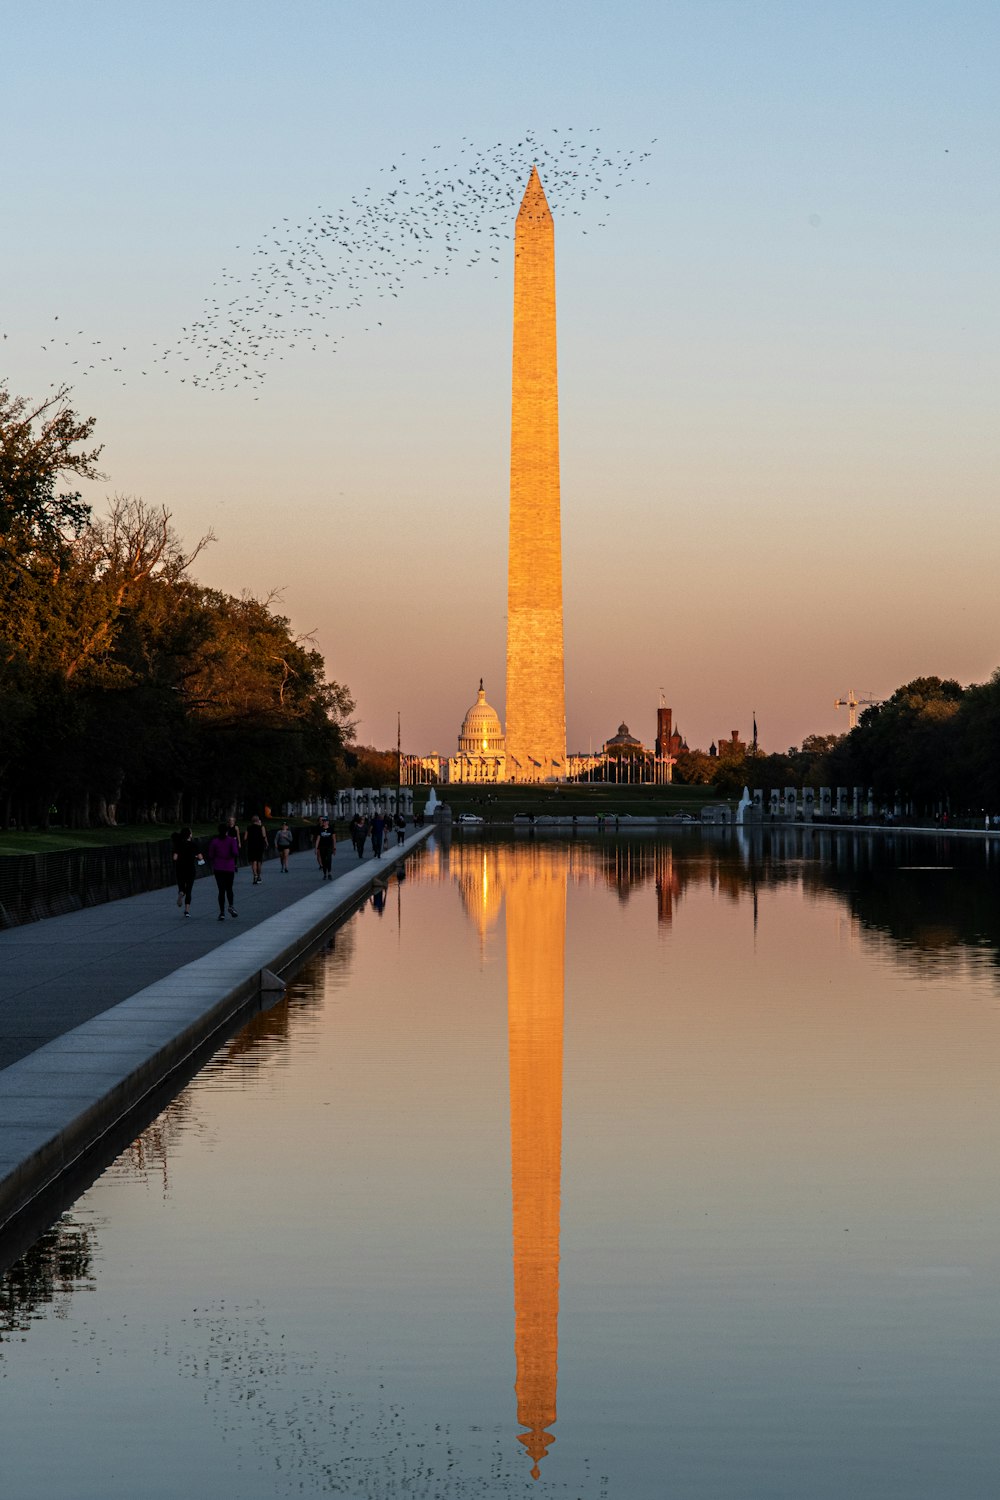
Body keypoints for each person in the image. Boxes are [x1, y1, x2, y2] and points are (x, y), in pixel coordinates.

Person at [207, 822, 240, 920]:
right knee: (229, 888)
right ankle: (231, 906)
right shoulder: (231, 841)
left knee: (221, 890)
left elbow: (211, 855)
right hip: (229, 867)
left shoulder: (214, 841)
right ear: (227, 831)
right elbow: (235, 852)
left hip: (218, 868)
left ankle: (222, 912)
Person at [172, 826, 201, 918]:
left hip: (180, 868)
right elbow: (200, 857)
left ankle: (181, 892)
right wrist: (195, 857)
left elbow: (175, 858)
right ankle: (187, 911)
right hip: (190, 869)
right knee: (189, 890)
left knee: (181, 885)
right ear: (189, 835)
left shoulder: (178, 844)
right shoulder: (193, 845)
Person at [245, 815, 269, 884]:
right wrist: (266, 843)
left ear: (252, 821)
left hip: (251, 846)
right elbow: (264, 836)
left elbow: (245, 838)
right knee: (259, 861)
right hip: (259, 846)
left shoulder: (248, 827)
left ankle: (255, 875)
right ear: (258, 820)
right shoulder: (261, 827)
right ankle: (259, 876)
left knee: (253, 862)